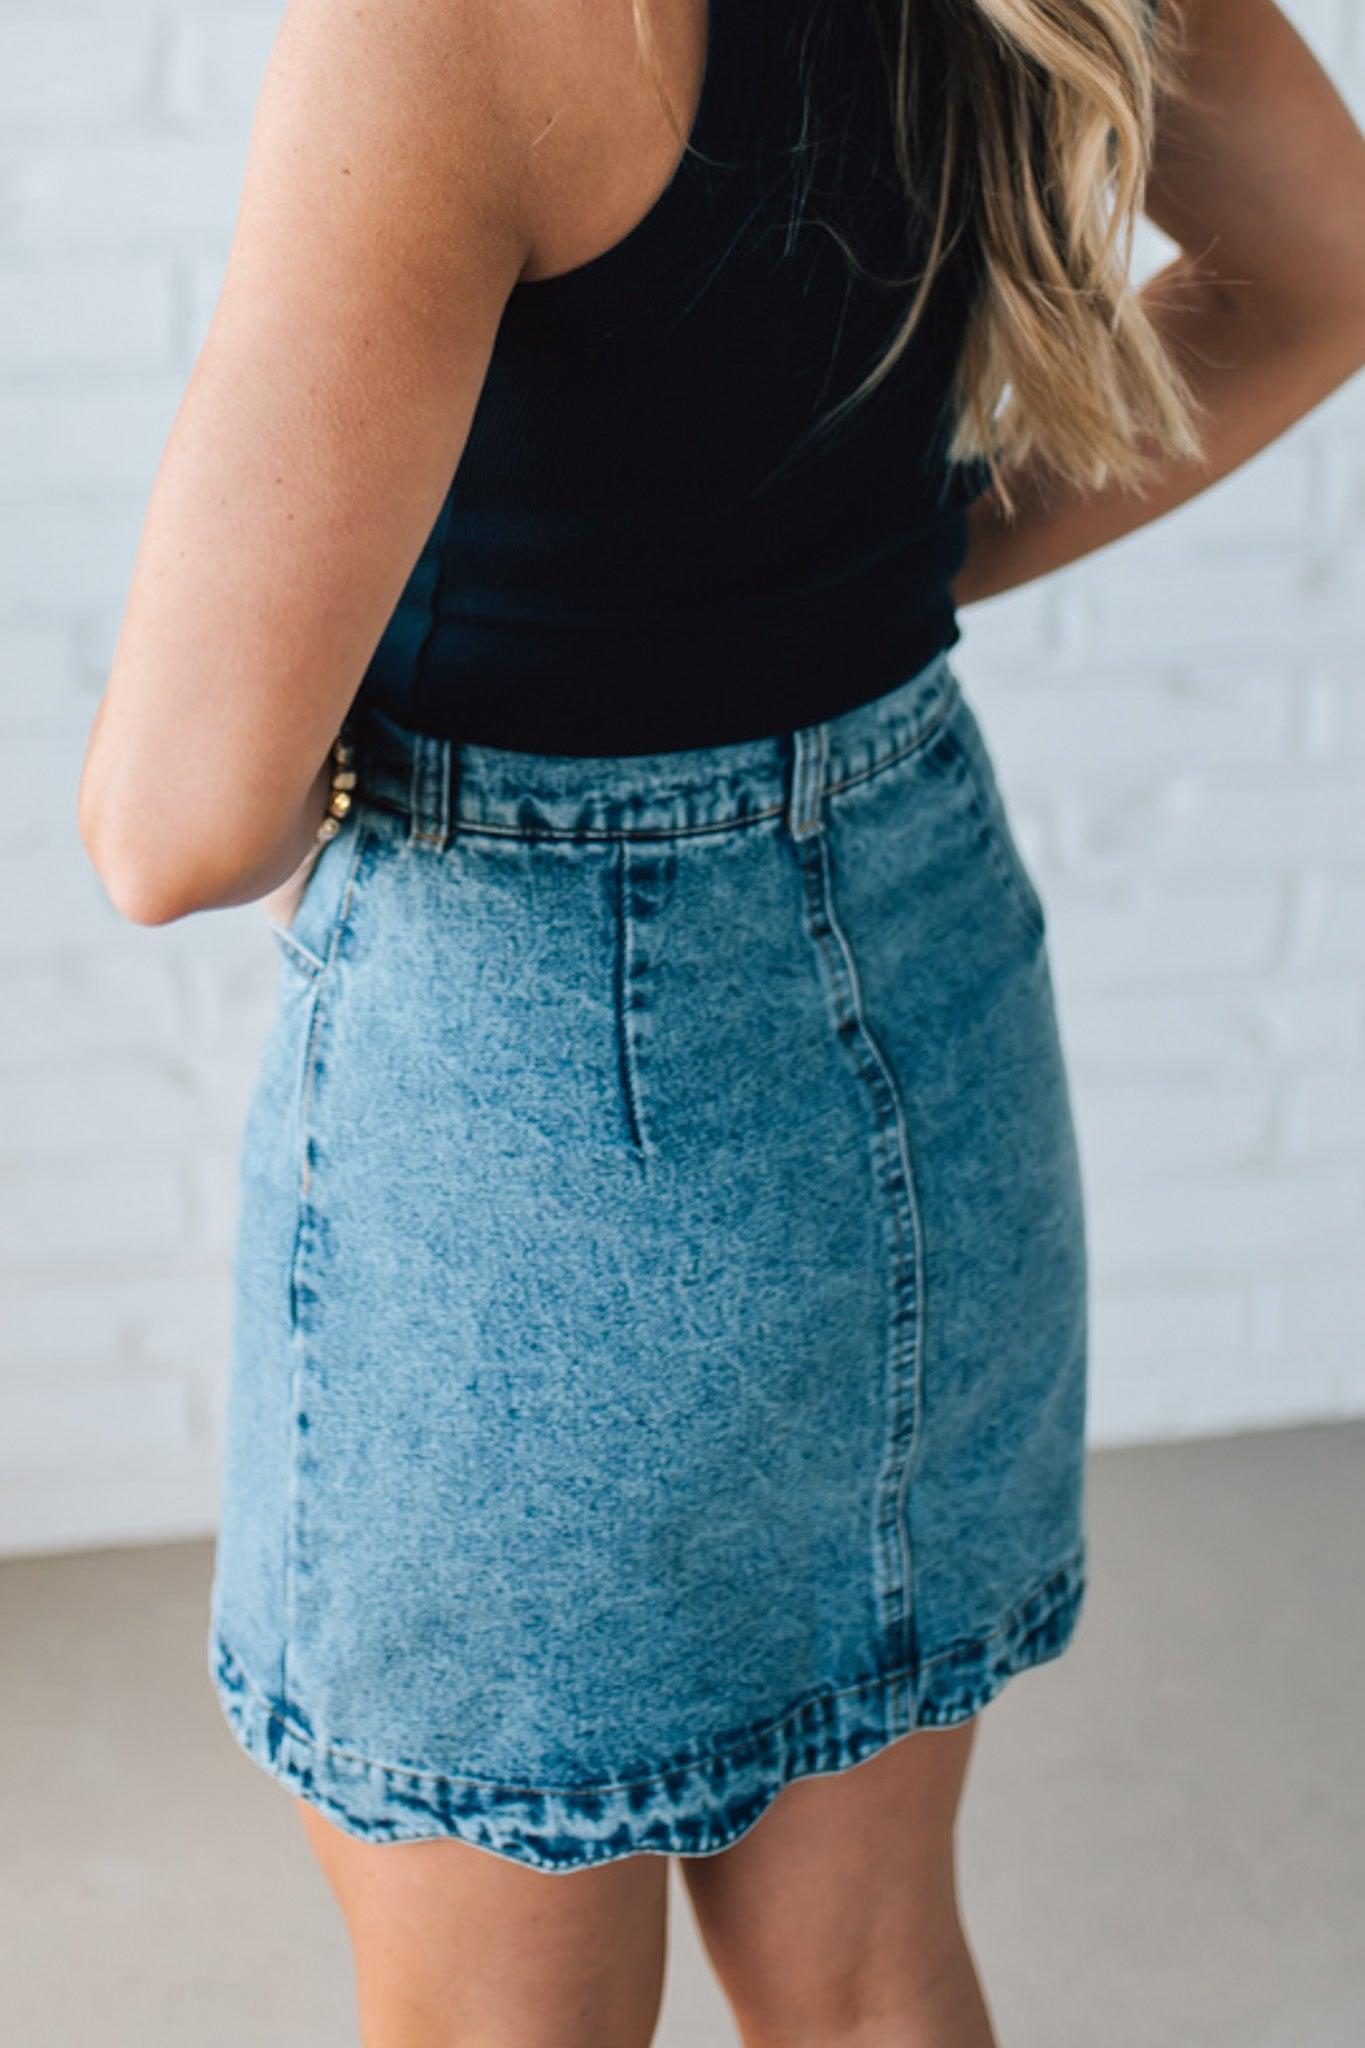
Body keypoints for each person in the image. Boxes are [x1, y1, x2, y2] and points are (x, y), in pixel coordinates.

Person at [78, 0, 1364, 2042]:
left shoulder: (445, 30)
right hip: (924, 977)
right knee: (862, 1975)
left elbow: (173, 820)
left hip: (538, 1104)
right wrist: (860, 574)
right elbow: (1324, 268)